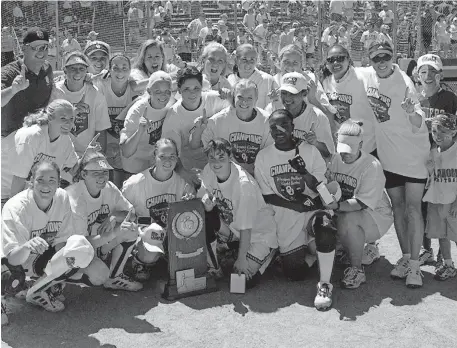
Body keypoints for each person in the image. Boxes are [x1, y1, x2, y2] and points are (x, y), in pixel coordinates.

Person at [254, 109, 337, 310]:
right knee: (294, 274)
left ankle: (325, 284)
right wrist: (295, 205)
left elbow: (321, 187)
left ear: (293, 127)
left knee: (325, 225)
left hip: (313, 209)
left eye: (284, 125)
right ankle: (314, 253)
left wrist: (303, 172)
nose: (279, 130)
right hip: (287, 215)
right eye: (273, 127)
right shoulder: (264, 156)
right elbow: (267, 195)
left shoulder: (309, 151)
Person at [364, 41, 430, 288]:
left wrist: (411, 112)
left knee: (413, 209)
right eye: (376, 57)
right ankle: (404, 258)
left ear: (393, 57)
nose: (381, 62)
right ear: (370, 60)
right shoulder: (367, 76)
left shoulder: (404, 81)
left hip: (413, 156)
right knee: (398, 208)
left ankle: (415, 267)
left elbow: (417, 120)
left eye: (385, 56)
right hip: (389, 157)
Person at [2, 161, 95, 312]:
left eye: (52, 180)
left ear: (59, 183)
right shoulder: (16, 207)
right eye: (40, 180)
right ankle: (3, 301)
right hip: (10, 258)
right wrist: (26, 246)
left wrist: (59, 271)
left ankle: (38, 288)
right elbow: (12, 258)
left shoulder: (62, 197)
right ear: (31, 181)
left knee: (74, 255)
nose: (46, 186)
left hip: (36, 256)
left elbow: (62, 242)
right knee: (10, 278)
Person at [198, 139, 278, 288]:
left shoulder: (243, 185)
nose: (216, 162)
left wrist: (242, 260)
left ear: (230, 157)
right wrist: (207, 205)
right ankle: (224, 255)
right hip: (233, 228)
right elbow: (204, 198)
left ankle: (269, 253)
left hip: (258, 234)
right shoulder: (209, 170)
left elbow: (246, 228)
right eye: (212, 157)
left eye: (221, 157)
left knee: (239, 284)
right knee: (203, 215)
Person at [326, 120, 393, 288]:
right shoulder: (335, 159)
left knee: (349, 219)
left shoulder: (372, 165)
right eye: (342, 149)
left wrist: (336, 207)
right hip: (345, 210)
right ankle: (357, 249)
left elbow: (361, 203)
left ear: (361, 144)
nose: (345, 154)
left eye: (350, 150)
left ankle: (357, 270)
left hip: (376, 217)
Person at [121, 138, 200, 281]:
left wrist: (188, 205)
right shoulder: (135, 183)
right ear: (154, 157)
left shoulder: (183, 183)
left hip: (172, 233)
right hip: (146, 233)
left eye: (172, 156)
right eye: (162, 156)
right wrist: (144, 225)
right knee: (152, 236)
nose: (167, 161)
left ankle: (167, 260)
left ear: (177, 158)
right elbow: (123, 214)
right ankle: (139, 261)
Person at [65, 152, 142, 291]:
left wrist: (115, 216)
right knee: (99, 276)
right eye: (95, 172)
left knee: (131, 229)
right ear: (83, 175)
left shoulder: (109, 188)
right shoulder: (75, 198)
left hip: (97, 242)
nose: (102, 177)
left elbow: (132, 214)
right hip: (67, 250)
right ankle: (56, 280)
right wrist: (114, 233)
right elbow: (80, 242)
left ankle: (116, 277)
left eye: (105, 172)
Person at [415, 54, 457, 264]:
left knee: (443, 205)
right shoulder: (414, 97)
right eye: (424, 71)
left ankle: (444, 251)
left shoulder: (450, 99)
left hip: (442, 158)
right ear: (418, 75)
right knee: (424, 204)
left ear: (440, 75)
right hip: (421, 157)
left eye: (433, 71)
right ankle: (426, 249)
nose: (428, 76)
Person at [162, 67, 230, 186]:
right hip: (192, 170)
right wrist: (185, 174)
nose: (192, 93)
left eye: (196, 88)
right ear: (179, 90)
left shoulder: (215, 99)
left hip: (219, 165)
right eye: (187, 89)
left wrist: (230, 95)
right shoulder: (174, 116)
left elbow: (237, 110)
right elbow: (169, 151)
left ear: (202, 87)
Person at [1, 99, 78, 204]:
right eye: (63, 118)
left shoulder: (65, 140)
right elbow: (18, 178)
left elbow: (73, 170)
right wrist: (12, 209)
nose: (68, 123)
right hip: (6, 192)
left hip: (32, 194)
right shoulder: (31, 136)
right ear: (50, 117)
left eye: (71, 118)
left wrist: (89, 153)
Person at [190, 79, 271, 175]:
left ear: (256, 99)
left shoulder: (267, 121)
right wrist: (199, 131)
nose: (244, 101)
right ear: (233, 97)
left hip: (256, 175)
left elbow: (269, 157)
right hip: (225, 176)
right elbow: (195, 146)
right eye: (240, 97)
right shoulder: (218, 120)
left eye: (249, 98)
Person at [50, 51, 110, 158]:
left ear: (86, 71)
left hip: (86, 155)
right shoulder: (55, 92)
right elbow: (48, 125)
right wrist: (71, 112)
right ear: (65, 70)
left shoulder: (95, 94)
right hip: (58, 154)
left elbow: (100, 131)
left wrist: (98, 158)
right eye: (73, 68)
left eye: (81, 69)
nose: (77, 73)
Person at [321, 44, 377, 155]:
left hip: (365, 146)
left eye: (340, 58)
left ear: (349, 59)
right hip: (342, 146)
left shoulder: (362, 75)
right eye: (331, 60)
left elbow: (388, 68)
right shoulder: (326, 81)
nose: (336, 63)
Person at [95, 54, 140, 188]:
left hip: (126, 144)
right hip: (105, 142)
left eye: (125, 68)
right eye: (116, 68)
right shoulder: (101, 85)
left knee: (124, 185)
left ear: (130, 70)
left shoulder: (135, 87)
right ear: (109, 70)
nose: (120, 72)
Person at [423, 114, 457, 281]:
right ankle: (449, 265)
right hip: (437, 200)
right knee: (442, 236)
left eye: (443, 131)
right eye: (435, 131)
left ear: (453, 132)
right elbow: (432, 179)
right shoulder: (432, 152)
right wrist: (430, 170)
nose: (438, 135)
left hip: (453, 202)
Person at [270, 72, 335, 160]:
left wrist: (316, 143)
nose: (287, 98)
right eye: (284, 93)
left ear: (304, 94)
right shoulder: (272, 109)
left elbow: (329, 154)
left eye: (293, 93)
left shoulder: (317, 116)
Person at [1, 27, 53, 138]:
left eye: (45, 47)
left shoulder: (47, 68)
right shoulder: (9, 72)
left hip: (40, 136)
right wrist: (12, 90)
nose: (42, 52)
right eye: (36, 47)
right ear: (24, 49)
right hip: (12, 139)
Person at [120, 71, 173, 176]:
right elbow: (126, 152)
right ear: (149, 91)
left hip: (154, 165)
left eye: (167, 91)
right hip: (133, 167)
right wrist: (140, 131)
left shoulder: (171, 104)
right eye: (158, 91)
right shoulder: (138, 110)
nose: (163, 96)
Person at [227, 44, 278, 110]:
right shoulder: (230, 79)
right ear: (236, 60)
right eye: (244, 59)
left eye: (252, 60)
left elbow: (274, 106)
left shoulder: (267, 80)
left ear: (256, 61)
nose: (248, 63)